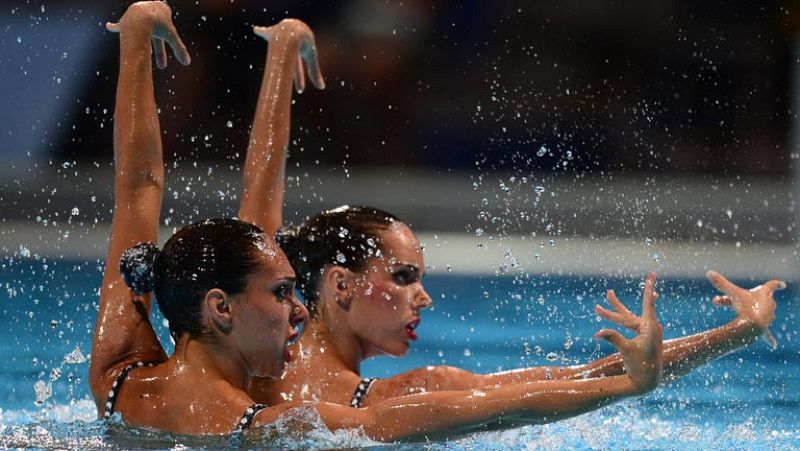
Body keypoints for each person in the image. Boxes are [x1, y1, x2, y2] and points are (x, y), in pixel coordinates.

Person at [89, 2, 665, 439]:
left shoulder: (118, 373)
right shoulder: (263, 422)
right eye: (285, 292)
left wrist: (137, 36)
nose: (300, 310)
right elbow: (469, 410)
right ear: (220, 307)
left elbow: (138, 188)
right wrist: (629, 385)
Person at [240, 18, 786, 409]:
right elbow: (579, 379)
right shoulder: (388, 399)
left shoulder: (238, 363)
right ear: (340, 283)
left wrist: (282, 53)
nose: (423, 297)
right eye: (404, 277)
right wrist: (739, 330)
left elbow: (256, 210)